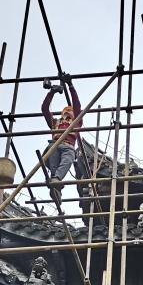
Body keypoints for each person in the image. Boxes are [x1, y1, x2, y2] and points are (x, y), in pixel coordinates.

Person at [42, 75, 81, 204]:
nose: (68, 113)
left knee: (68, 159)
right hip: (54, 145)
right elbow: (45, 109)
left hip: (68, 146)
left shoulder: (76, 122)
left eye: (70, 111)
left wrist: (71, 86)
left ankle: (56, 182)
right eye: (66, 111)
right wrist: (52, 92)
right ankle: (55, 183)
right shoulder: (56, 122)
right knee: (54, 166)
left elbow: (77, 105)